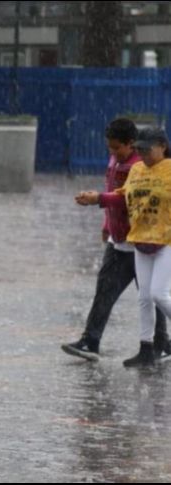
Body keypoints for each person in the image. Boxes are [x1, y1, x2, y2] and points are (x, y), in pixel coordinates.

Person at [63, 119, 170, 362]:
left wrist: (99, 199)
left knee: (156, 294)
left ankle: (160, 343)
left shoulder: (155, 168)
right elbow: (120, 193)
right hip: (125, 238)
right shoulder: (131, 166)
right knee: (130, 293)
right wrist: (106, 222)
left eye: (116, 148)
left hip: (154, 240)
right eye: (109, 148)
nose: (112, 153)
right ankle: (102, 341)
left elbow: (123, 199)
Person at [93, 127, 171, 367]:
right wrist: (97, 199)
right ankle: (146, 349)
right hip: (140, 239)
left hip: (166, 240)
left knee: (159, 294)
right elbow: (123, 195)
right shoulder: (136, 170)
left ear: (162, 146)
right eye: (141, 150)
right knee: (144, 297)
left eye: (148, 149)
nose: (144, 154)